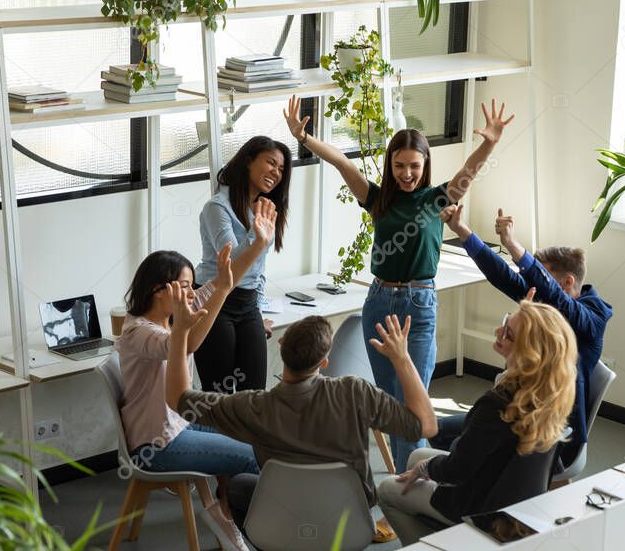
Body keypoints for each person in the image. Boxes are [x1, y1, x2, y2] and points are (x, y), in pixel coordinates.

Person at [283, 94, 515, 472]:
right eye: (399, 165)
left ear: (425, 167)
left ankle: (413, 485)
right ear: (390, 165)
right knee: (393, 404)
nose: (407, 173)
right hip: (379, 302)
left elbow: (469, 172)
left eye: (414, 166)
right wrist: (303, 139)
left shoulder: (437, 199)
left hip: (417, 306)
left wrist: (489, 142)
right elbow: (342, 162)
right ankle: (409, 483)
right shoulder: (378, 200)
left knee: (413, 402)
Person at [162, 290, 438, 535]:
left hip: (284, 518)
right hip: (350, 521)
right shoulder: (355, 392)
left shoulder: (252, 406)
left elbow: (177, 399)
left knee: (239, 485)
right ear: (325, 361)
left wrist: (180, 332)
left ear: (281, 347)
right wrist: (402, 360)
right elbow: (426, 426)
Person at [377, 300, 578, 545]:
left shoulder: (497, 404)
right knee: (417, 455)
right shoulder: (551, 396)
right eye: (505, 322)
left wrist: (425, 469)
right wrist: (426, 465)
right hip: (516, 503)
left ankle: (437, 545)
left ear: (528, 353)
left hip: (482, 511)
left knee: (387, 490)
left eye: (508, 333)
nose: (497, 332)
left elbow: (456, 470)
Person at [435, 205, 613, 472]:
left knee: (460, 450)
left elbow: (553, 294)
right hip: (517, 413)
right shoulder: (543, 300)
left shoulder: (594, 316)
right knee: (436, 431)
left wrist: (513, 244)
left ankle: (464, 500)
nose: (536, 285)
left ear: (566, 282)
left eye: (543, 277)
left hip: (554, 435)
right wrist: (462, 230)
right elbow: (501, 275)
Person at [116, 242, 266, 551]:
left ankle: (225, 514)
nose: (191, 293)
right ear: (160, 290)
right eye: (185, 287)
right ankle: (259, 530)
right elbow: (185, 344)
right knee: (254, 456)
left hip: (181, 425)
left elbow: (224, 282)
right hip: (157, 444)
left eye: (190, 286)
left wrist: (259, 244)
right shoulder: (138, 333)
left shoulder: (172, 317)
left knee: (253, 433)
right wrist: (219, 294)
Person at [193, 135, 290, 393]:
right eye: (271, 163)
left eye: (281, 169)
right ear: (248, 161)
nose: (276, 172)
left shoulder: (264, 210)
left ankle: (246, 437)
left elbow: (258, 271)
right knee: (219, 396)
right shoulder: (217, 207)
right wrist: (257, 238)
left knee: (255, 395)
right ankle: (215, 436)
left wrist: (257, 312)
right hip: (215, 300)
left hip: (247, 304)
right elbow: (230, 269)